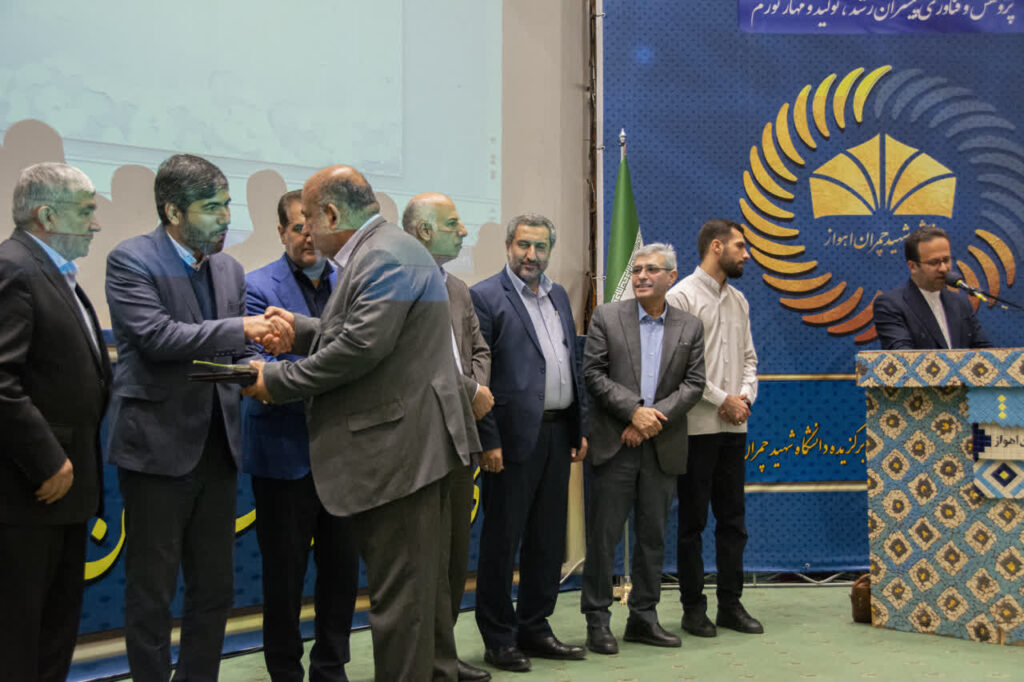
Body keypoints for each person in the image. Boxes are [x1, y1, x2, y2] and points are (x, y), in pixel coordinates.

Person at [242, 165, 479, 681]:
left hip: (402, 455)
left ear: (331, 214)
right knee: (411, 602)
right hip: (407, 451)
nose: (307, 232)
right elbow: (361, 332)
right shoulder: (384, 250)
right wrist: (302, 330)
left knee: (403, 608)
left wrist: (278, 380)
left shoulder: (384, 255)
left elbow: (361, 346)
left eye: (309, 219)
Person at [105, 153, 292, 681]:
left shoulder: (228, 268)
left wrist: (263, 365)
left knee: (214, 589)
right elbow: (158, 338)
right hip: (157, 450)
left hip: (218, 448)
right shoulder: (131, 259)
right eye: (213, 207)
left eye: (227, 204)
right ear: (173, 211)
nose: (226, 217)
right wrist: (243, 331)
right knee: (153, 591)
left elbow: (232, 355)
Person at [241, 189, 358, 682]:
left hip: (345, 458)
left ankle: (331, 668)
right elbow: (257, 371)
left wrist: (297, 370)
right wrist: (329, 374)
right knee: (284, 579)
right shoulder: (255, 287)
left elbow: (361, 357)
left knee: (342, 574)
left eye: (314, 228)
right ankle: (285, 671)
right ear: (281, 232)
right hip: (282, 455)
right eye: (297, 228)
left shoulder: (351, 283)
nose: (308, 237)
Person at [0, 163, 111, 681]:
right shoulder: (15, 268)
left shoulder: (51, 271)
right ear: (47, 215)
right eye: (86, 212)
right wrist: (47, 460)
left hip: (62, 491)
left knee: (52, 636)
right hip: (29, 492)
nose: (96, 224)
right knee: (20, 638)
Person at [470, 213, 589, 673]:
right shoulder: (485, 296)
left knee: (547, 539)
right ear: (508, 246)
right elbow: (479, 376)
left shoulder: (558, 295)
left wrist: (577, 427)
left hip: (558, 434)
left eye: (540, 247)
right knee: (502, 544)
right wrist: (488, 440)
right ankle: (499, 638)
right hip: (510, 440)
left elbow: (569, 364)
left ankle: (535, 627)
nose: (531, 255)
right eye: (523, 245)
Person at [580, 243, 705, 654]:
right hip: (614, 445)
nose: (641, 276)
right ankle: (597, 620)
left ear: (672, 276)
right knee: (604, 539)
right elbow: (593, 374)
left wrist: (651, 420)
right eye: (636, 270)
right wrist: (633, 412)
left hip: (661, 447)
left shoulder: (690, 326)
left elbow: (694, 385)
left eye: (652, 269)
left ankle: (643, 618)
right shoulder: (607, 317)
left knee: (653, 537)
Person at [403, 192, 494, 682]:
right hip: (419, 440)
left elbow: (479, 348)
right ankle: (425, 659)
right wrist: (470, 392)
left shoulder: (457, 288)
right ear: (423, 231)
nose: (463, 232)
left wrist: (475, 390)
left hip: (462, 436)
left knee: (456, 554)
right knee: (426, 559)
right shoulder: (398, 284)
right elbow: (419, 360)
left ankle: (444, 654)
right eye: (454, 223)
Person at [666, 219, 763, 638]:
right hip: (695, 427)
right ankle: (693, 608)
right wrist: (722, 399)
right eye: (740, 246)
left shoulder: (739, 300)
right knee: (692, 523)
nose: (747, 255)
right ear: (717, 247)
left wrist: (744, 399)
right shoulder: (681, 296)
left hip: (733, 428)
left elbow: (750, 359)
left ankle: (730, 605)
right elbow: (679, 367)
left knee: (733, 521)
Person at [873, 226, 992, 350]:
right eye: (934, 262)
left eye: (946, 260)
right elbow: (902, 355)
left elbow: (984, 352)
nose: (943, 269)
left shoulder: (961, 304)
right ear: (912, 266)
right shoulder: (891, 305)